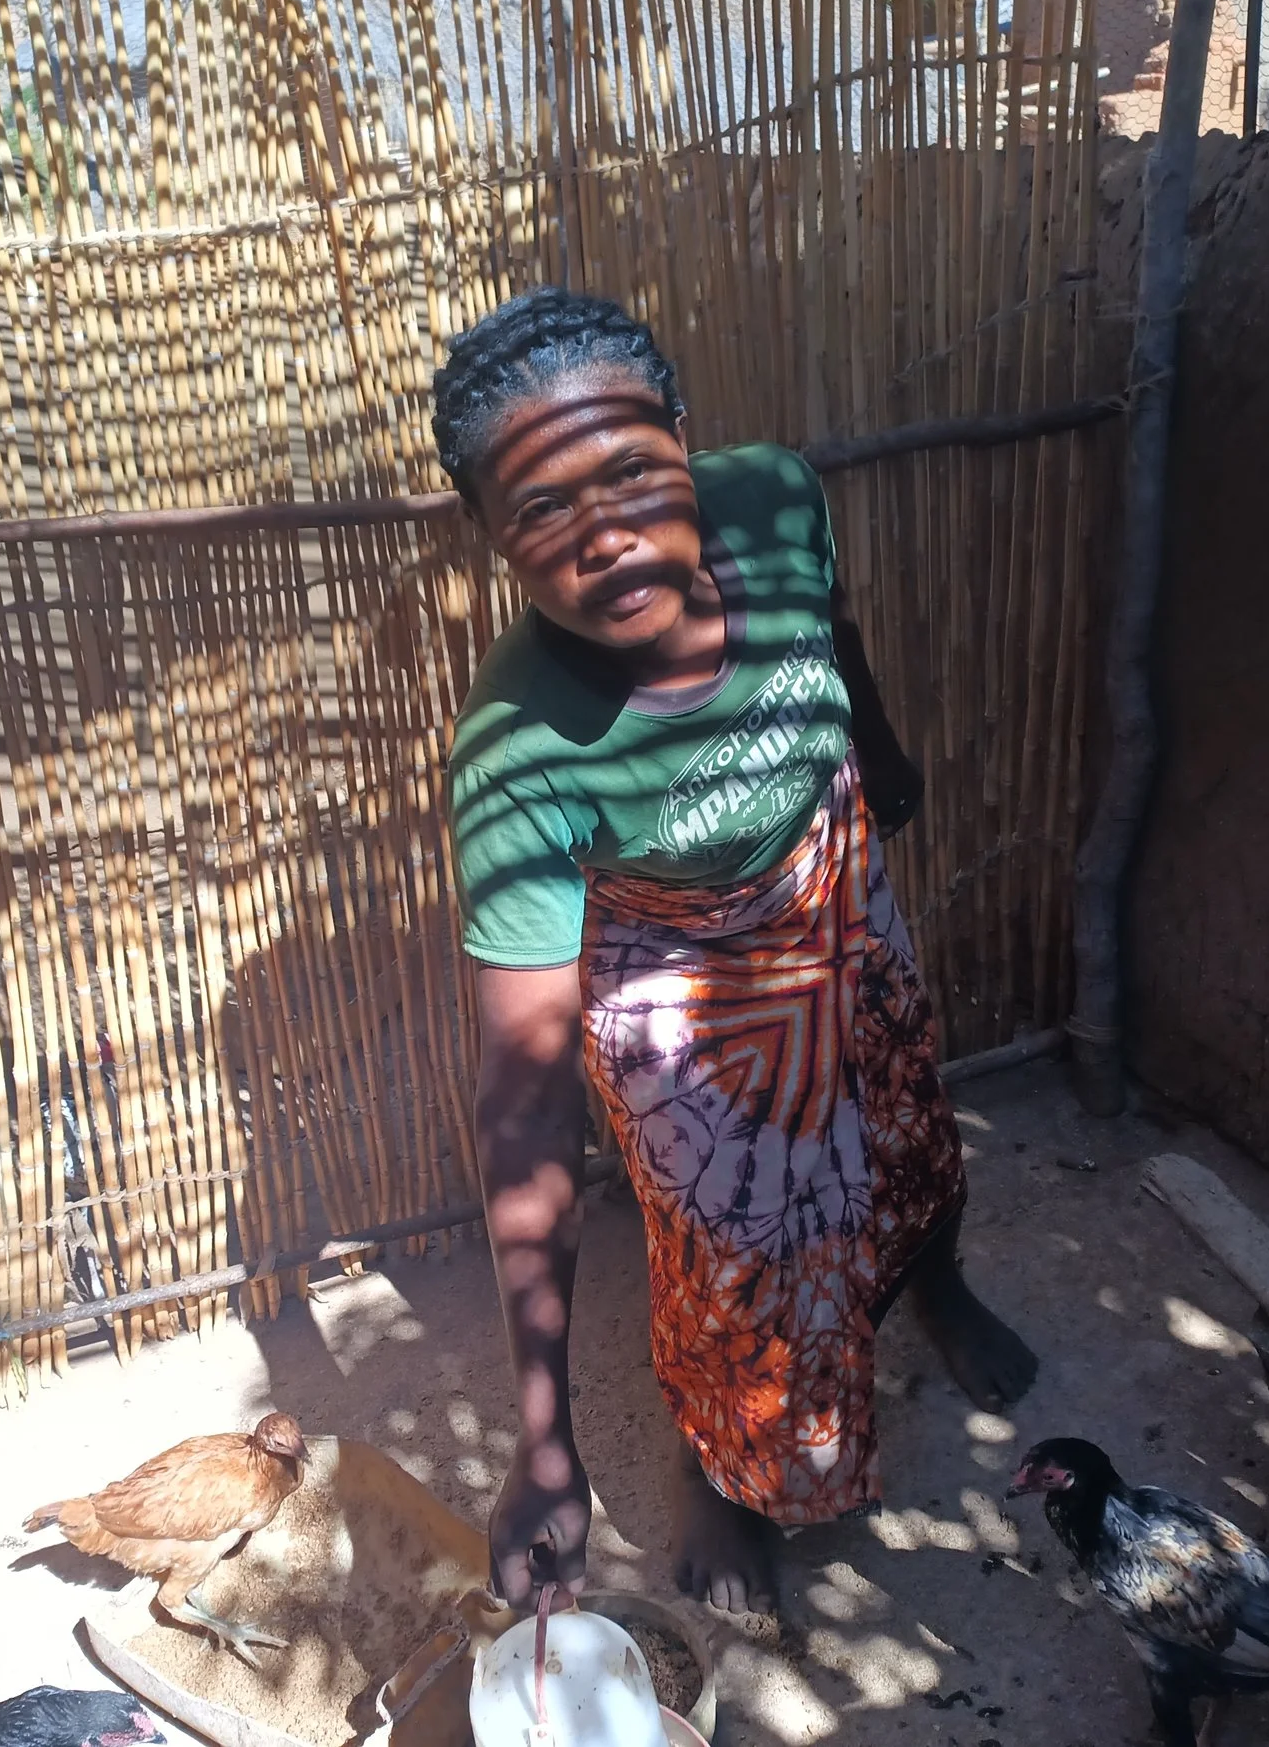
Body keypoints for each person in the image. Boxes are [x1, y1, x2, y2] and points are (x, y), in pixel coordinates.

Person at [436, 288, 1039, 1617]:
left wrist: (877, 759)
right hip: (676, 944)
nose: (608, 535)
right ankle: (716, 1462)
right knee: (725, 1234)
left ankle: (935, 1277)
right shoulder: (518, 747)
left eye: (634, 472)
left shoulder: (772, 502)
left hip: (826, 862)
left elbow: (836, 628)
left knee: (905, 1109)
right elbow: (524, 1100)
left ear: (685, 443)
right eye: (540, 511)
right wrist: (543, 1445)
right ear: (491, 541)